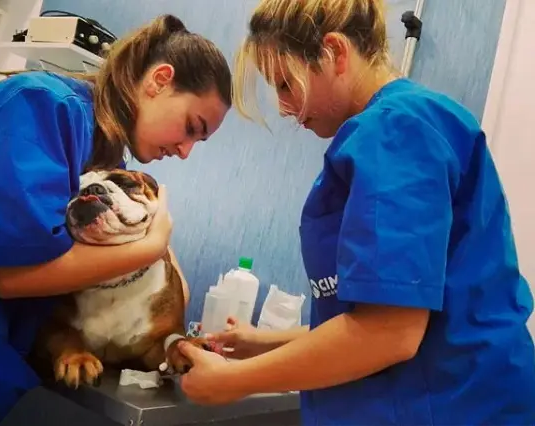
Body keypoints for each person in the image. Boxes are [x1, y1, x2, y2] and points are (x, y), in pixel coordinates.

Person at [176, 0, 535, 424]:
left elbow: (389, 333)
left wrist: (232, 381)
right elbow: (374, 313)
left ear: (335, 53)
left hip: (450, 406)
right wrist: (262, 343)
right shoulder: (399, 126)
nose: (284, 106)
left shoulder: (396, 131)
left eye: (286, 84)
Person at [0, 14, 231, 426]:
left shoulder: (103, 156)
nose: (185, 151)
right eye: (191, 128)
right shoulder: (36, 106)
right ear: (159, 80)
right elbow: (12, 276)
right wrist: (151, 247)